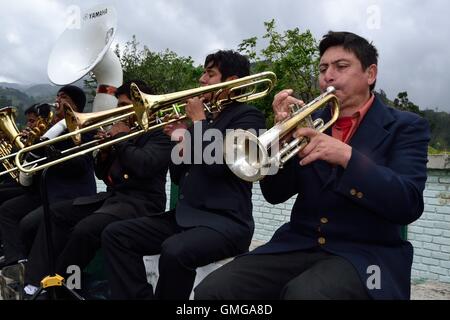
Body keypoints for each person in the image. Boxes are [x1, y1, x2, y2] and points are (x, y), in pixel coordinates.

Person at [195, 31, 430, 300]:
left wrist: (348, 158)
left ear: (370, 73)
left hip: (366, 254)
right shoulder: (308, 121)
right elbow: (275, 195)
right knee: (212, 291)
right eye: (322, 69)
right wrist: (279, 138)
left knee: (304, 295)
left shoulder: (406, 127)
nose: (328, 76)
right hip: (298, 244)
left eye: (341, 67)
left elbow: (408, 203)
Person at [101, 50, 267, 300]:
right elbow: (179, 176)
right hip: (187, 218)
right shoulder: (205, 120)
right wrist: (180, 139)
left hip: (227, 223)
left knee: (175, 251)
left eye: (210, 74)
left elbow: (218, 167)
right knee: (116, 235)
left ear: (231, 81)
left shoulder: (249, 116)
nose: (201, 80)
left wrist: (198, 123)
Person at [22, 80, 173, 297]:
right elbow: (103, 175)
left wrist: (120, 139)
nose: (119, 112)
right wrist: (104, 153)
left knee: (86, 229)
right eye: (119, 106)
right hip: (113, 199)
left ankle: (58, 287)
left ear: (142, 105)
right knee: (56, 214)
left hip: (141, 203)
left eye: (124, 106)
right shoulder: (123, 132)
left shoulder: (159, 133)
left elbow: (145, 165)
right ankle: (34, 283)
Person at [0, 85, 96, 270]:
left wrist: (50, 150)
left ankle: (30, 268)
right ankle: (15, 262)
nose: (57, 100)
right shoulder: (51, 130)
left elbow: (80, 166)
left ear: (74, 105)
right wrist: (31, 145)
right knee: (7, 210)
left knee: (28, 224)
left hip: (70, 196)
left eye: (64, 97)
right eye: (58, 96)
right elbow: (32, 172)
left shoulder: (85, 127)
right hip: (46, 192)